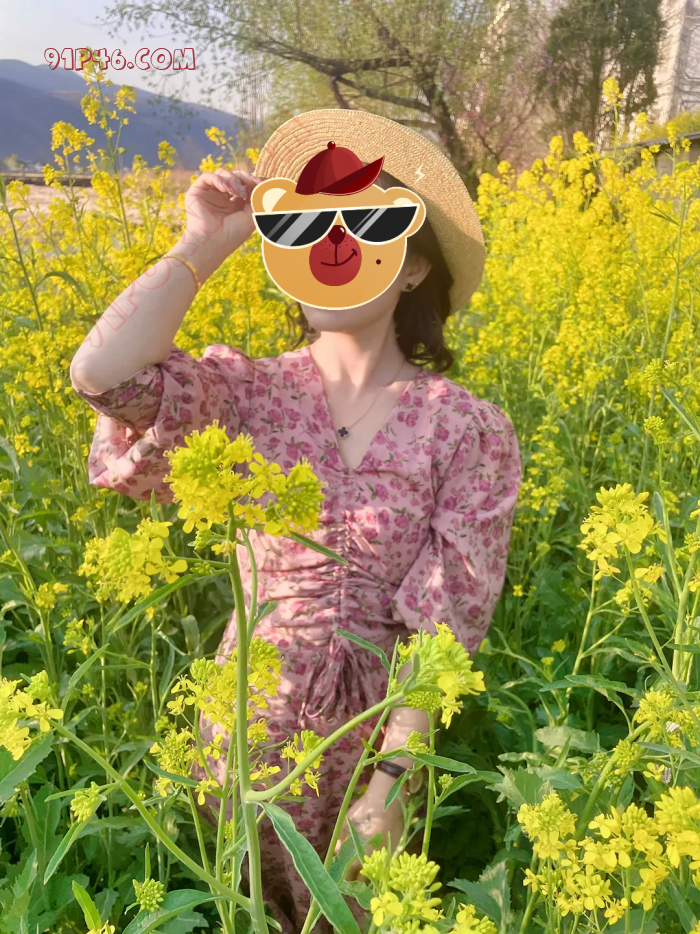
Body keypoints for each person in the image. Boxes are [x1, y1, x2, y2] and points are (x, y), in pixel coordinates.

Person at [69, 108, 522, 934]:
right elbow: (102, 374)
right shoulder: (245, 394)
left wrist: (392, 784)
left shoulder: (465, 427)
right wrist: (207, 243)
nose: (330, 247)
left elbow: (447, 622)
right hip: (241, 726)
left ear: (415, 267)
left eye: (365, 225)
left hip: (369, 745)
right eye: (303, 227)